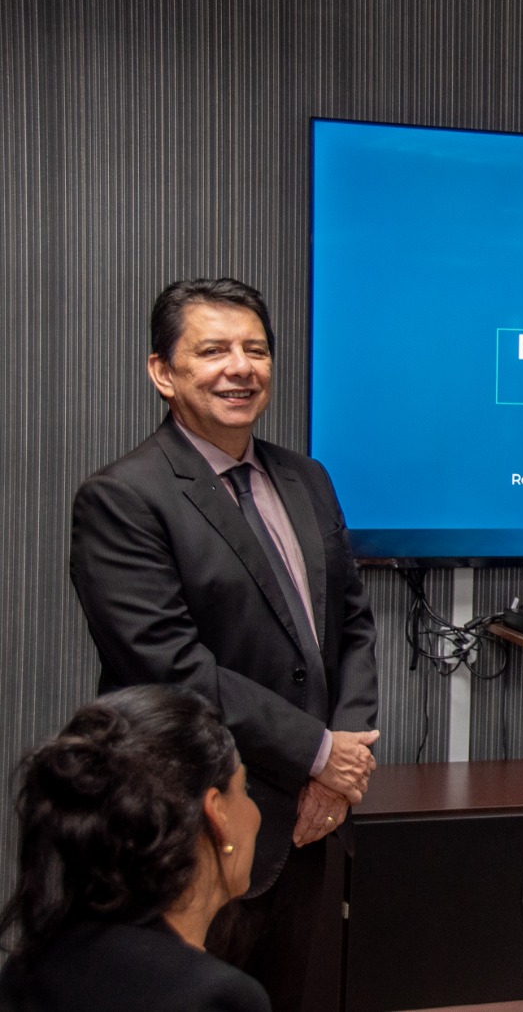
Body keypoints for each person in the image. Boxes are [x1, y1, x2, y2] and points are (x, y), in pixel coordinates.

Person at [68, 278, 381, 1008]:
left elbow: (353, 624)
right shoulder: (124, 497)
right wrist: (317, 753)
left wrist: (343, 758)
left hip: (311, 822)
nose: (239, 367)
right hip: (191, 830)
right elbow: (168, 667)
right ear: (162, 372)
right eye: (212, 350)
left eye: (255, 350)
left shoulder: (306, 478)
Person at [0, 685, 270, 1011]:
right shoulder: (217, 997)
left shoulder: (26, 971)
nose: (255, 813)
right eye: (245, 788)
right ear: (217, 813)